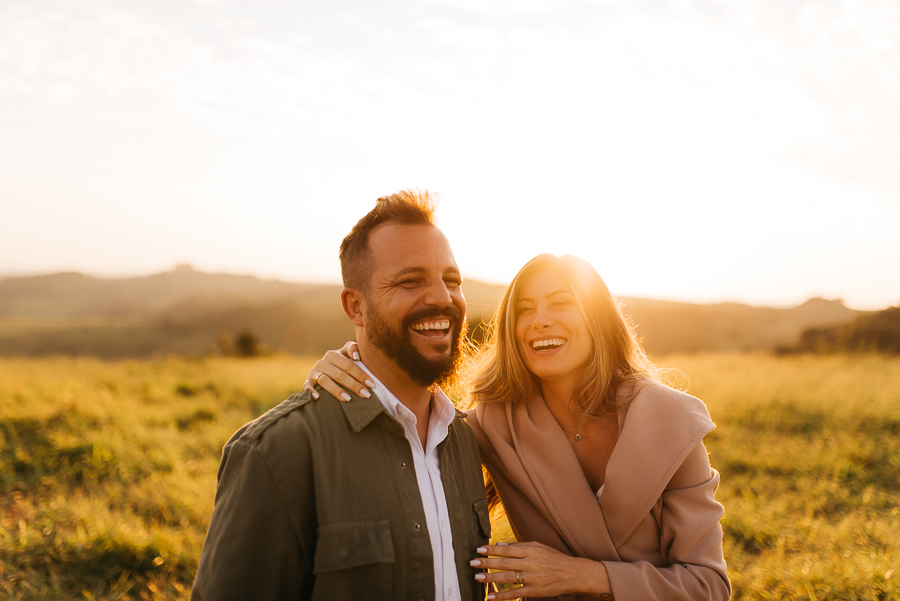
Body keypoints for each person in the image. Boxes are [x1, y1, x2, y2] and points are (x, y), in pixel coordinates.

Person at [306, 253, 731, 601]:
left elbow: (708, 586)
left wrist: (585, 575)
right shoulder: (495, 424)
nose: (539, 321)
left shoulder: (671, 421)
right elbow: (413, 441)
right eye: (524, 310)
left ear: (598, 317)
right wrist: (354, 359)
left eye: (561, 303)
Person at [192, 191, 491, 601]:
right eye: (410, 281)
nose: (442, 296)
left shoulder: (467, 441)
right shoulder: (276, 451)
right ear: (356, 307)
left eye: (451, 280)